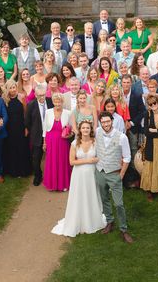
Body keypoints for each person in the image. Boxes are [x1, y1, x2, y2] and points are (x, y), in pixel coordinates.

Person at [51, 119, 107, 237]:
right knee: (79, 196)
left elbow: (100, 157)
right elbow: (71, 162)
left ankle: (91, 219)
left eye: (87, 128)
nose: (85, 130)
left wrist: (96, 159)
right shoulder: (74, 143)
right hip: (78, 175)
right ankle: (78, 219)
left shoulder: (95, 142)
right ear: (80, 130)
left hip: (92, 174)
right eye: (83, 128)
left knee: (91, 194)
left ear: (90, 129)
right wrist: (89, 160)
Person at [95, 111, 133, 243]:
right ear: (100, 122)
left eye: (108, 121)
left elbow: (127, 157)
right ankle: (109, 222)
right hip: (100, 171)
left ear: (112, 121)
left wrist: (121, 174)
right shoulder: (97, 132)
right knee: (104, 198)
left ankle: (123, 229)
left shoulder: (121, 137)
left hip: (114, 174)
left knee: (119, 203)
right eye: (103, 122)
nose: (105, 124)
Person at [43, 93, 73, 191]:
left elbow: (72, 129)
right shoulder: (48, 112)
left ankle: (63, 184)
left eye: (59, 101)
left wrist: (69, 135)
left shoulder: (68, 113)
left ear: (62, 102)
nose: (57, 103)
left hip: (63, 141)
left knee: (62, 161)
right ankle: (52, 185)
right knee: (51, 161)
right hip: (51, 140)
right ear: (53, 102)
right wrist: (44, 142)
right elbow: (45, 128)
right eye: (55, 101)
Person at [2, 80, 31, 177]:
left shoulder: (21, 97)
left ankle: (23, 171)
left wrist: (26, 127)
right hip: (9, 129)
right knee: (11, 149)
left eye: (14, 87)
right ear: (7, 89)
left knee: (22, 148)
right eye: (10, 88)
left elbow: (25, 113)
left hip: (21, 127)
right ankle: (13, 171)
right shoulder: (4, 100)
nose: (13, 90)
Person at [120, 74, 145, 187]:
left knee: (134, 150)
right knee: (122, 151)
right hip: (120, 128)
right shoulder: (117, 94)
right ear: (121, 83)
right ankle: (124, 177)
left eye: (128, 82)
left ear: (131, 83)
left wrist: (132, 123)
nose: (126, 84)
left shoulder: (137, 95)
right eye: (124, 82)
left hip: (133, 128)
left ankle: (135, 177)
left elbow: (142, 112)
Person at [26, 84, 52, 186]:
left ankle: (51, 175)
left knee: (52, 156)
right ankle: (38, 175)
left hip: (50, 134)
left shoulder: (50, 101)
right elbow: (27, 121)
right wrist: (33, 131)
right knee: (36, 158)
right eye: (39, 95)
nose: (42, 97)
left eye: (43, 95)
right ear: (35, 95)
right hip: (37, 135)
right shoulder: (31, 105)